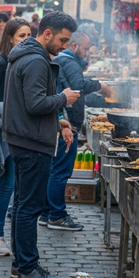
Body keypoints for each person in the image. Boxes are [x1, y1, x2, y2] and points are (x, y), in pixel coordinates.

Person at [3, 11, 80, 278]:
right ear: (47, 33)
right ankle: (28, 268)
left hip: (24, 138)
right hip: (32, 143)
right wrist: (64, 98)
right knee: (29, 208)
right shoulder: (36, 60)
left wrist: (58, 120)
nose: (64, 46)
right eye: (62, 40)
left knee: (23, 205)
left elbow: (28, 103)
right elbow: (35, 104)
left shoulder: (27, 56)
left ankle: (20, 264)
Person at [43, 31, 114, 231]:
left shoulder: (64, 60)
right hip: (67, 124)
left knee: (55, 169)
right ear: (74, 46)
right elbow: (78, 86)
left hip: (64, 121)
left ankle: (47, 212)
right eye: (85, 48)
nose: (87, 52)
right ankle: (56, 215)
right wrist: (100, 85)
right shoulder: (70, 61)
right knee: (61, 170)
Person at [0, 18, 31, 256]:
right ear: (10, 37)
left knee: (17, 185)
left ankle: (11, 235)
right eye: (22, 36)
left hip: (23, 129)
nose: (27, 40)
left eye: (29, 35)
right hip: (4, 130)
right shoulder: (0, 61)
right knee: (7, 183)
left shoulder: (26, 60)